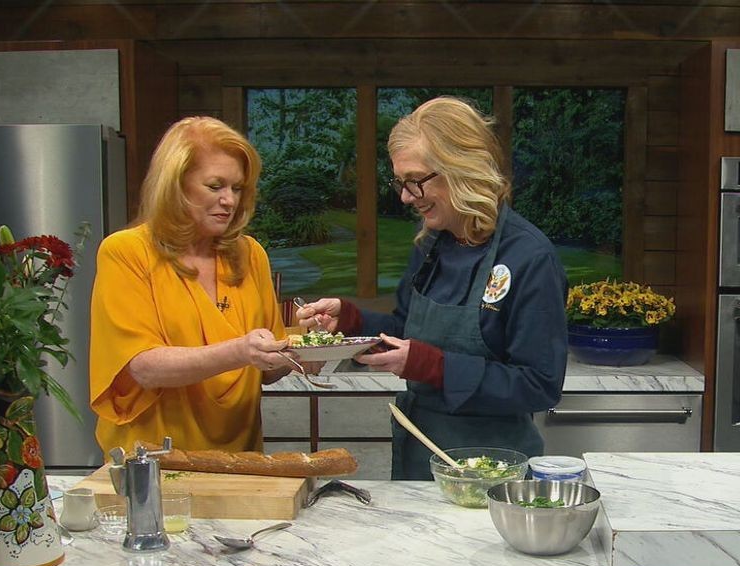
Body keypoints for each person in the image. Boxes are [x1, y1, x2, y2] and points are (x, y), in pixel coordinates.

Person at [297, 97, 568, 479]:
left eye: (415, 180)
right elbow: (406, 331)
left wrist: (435, 366)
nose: (405, 196)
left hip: (491, 470)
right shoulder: (430, 244)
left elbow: (539, 385)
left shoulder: (529, 257)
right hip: (420, 455)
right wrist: (352, 320)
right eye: (400, 182)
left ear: (462, 168)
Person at [90, 116, 301, 456]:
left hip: (242, 462)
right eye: (215, 187)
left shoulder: (250, 255)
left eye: (237, 188)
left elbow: (266, 370)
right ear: (175, 186)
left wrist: (307, 352)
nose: (229, 200)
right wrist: (240, 351)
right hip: (154, 462)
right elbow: (142, 367)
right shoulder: (126, 252)